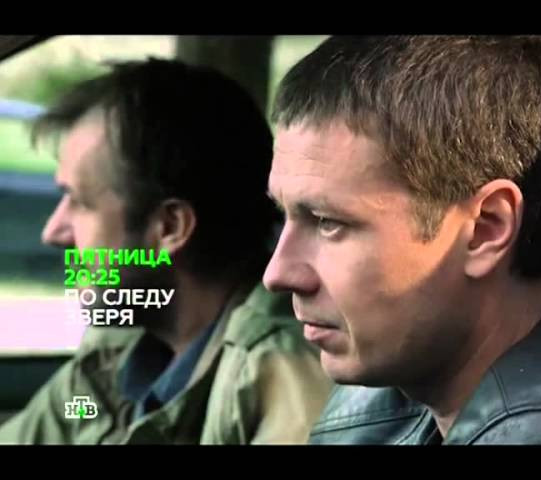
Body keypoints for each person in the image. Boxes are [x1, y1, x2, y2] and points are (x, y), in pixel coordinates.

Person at [262, 35, 541, 444]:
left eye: (327, 222)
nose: (277, 274)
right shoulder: (381, 407)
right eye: (284, 216)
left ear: (486, 228)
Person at [0, 58, 332, 444]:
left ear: (169, 228)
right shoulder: (110, 360)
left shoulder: (281, 381)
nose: (53, 233)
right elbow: (64, 420)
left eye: (80, 202)